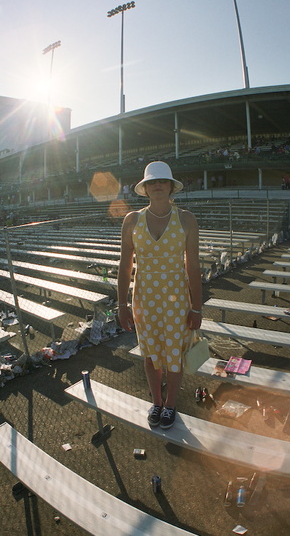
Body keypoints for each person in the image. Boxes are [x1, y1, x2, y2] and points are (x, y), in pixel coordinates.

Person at [117, 161, 202, 430]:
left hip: (177, 299)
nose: (157, 186)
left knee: (175, 354)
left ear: (170, 187)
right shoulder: (132, 220)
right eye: (152, 182)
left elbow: (193, 266)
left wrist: (197, 307)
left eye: (161, 182)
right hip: (144, 299)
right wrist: (121, 304)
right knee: (151, 355)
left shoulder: (186, 219)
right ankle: (156, 402)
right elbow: (125, 264)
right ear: (144, 188)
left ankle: (171, 403)